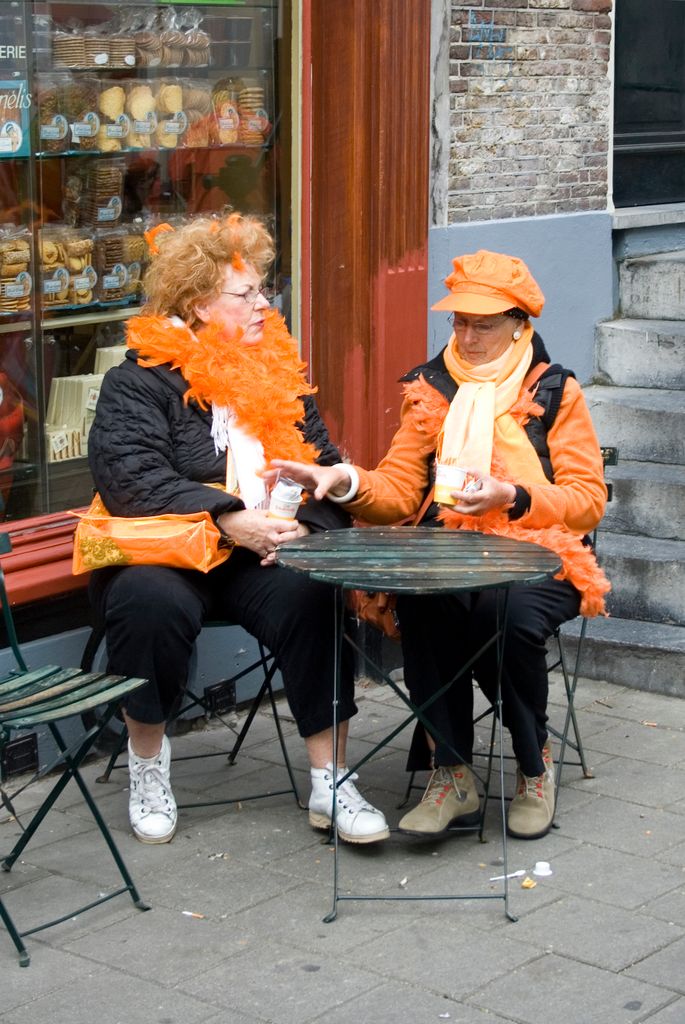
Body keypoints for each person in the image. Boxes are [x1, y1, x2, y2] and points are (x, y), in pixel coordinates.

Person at [265, 249, 610, 842]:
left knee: (508, 613)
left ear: (519, 324)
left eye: (483, 323)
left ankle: (533, 766)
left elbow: (587, 499)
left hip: (539, 554)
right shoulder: (431, 386)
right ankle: (451, 773)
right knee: (423, 601)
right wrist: (340, 480)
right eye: (458, 321)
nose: (467, 335)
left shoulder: (555, 390)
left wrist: (514, 494)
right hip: (449, 552)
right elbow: (398, 491)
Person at [87, 213, 389, 847]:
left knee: (316, 591)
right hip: (170, 552)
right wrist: (229, 515)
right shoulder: (137, 382)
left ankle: (330, 778)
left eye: (263, 291)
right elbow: (132, 480)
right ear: (199, 305)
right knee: (147, 603)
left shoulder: (279, 377)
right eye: (246, 294)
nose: (264, 305)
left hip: (264, 555)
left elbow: (323, 469)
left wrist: (304, 527)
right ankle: (147, 765)